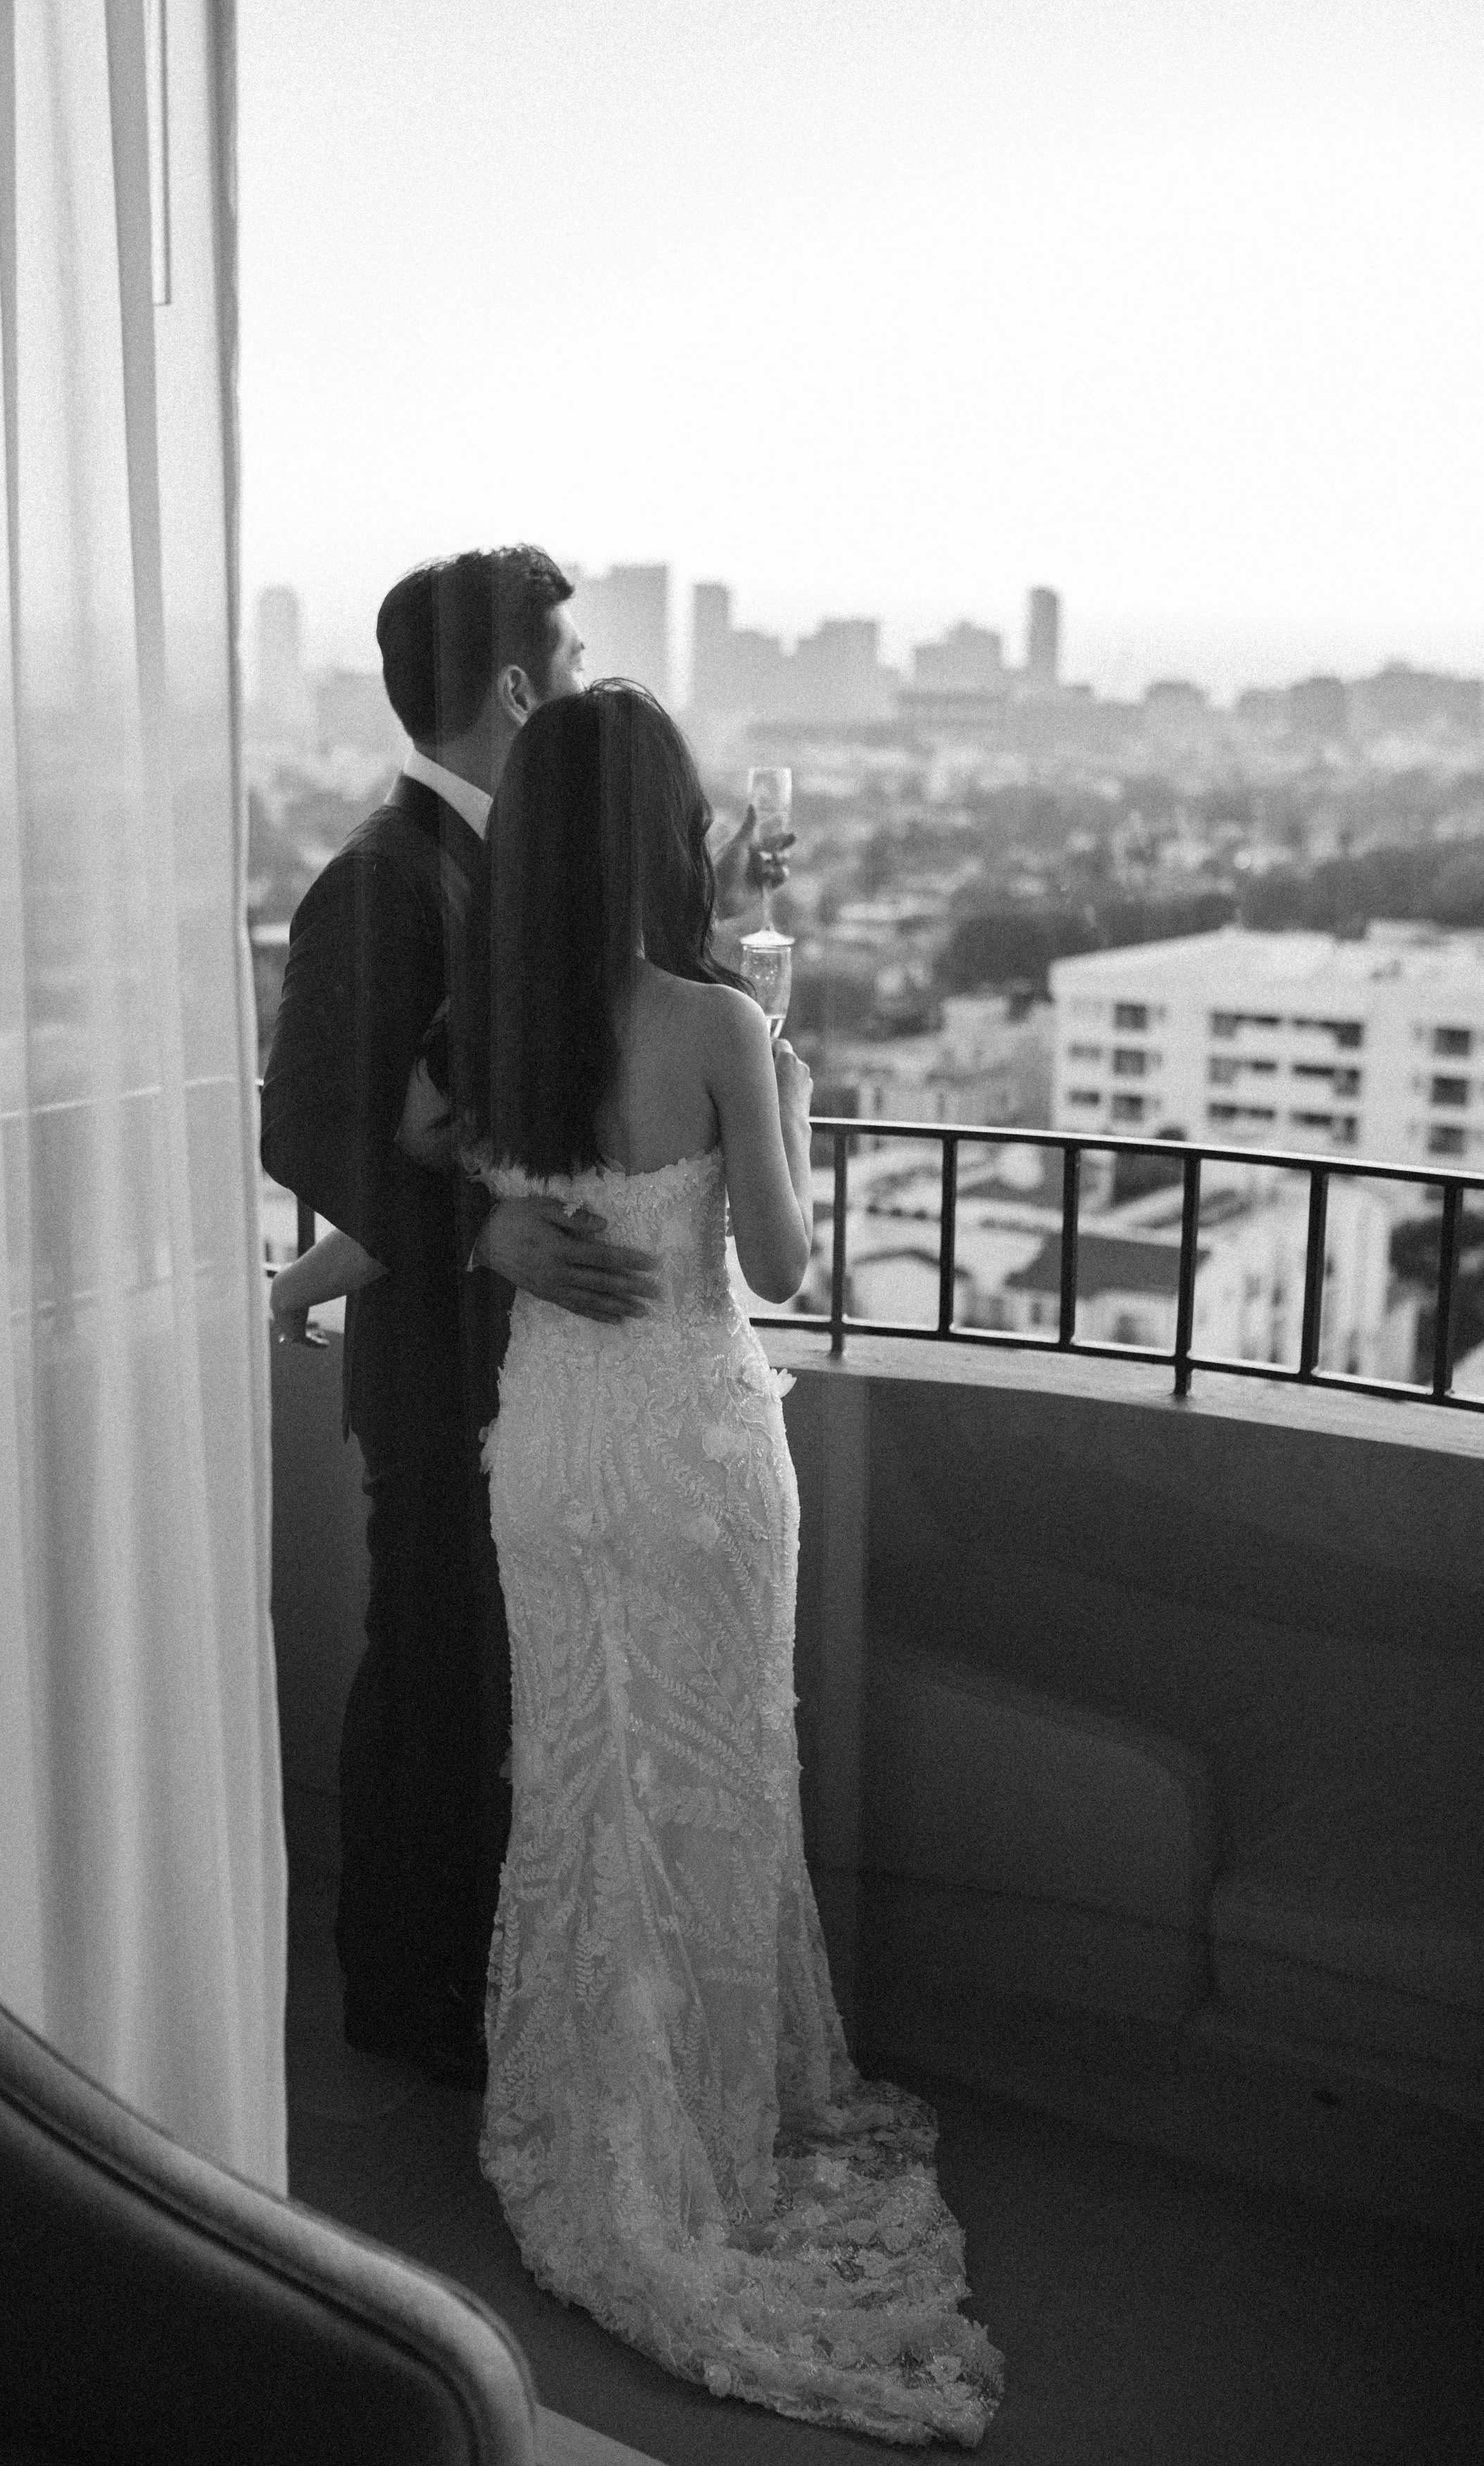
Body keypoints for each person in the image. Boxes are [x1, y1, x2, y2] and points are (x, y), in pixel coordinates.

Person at [446, 685, 1005, 2445]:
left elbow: (424, 1141)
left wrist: (492, 1218)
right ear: (656, 835)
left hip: (548, 1457)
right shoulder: (701, 1018)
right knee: (707, 1790)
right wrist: (789, 1081)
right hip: (689, 1455)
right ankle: (694, 2138)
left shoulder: (487, 1017)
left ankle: (581, 2117)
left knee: (579, 1785)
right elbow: (775, 1262)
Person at [259, 548, 781, 2086]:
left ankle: (532, 2007)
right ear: (512, 684)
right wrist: (480, 1226)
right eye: (564, 657)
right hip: (448, 1382)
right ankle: (402, 2011)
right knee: (431, 1681)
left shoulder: (513, 863)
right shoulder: (382, 875)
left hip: (559, 1383)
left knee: (538, 1710)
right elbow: (303, 1126)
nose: (576, 682)